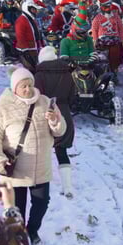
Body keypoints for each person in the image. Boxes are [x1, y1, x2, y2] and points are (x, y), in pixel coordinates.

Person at [0, 67, 65, 245]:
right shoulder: (3, 108)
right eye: (23, 86)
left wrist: (54, 121)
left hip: (41, 167)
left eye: (30, 85)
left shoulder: (44, 102)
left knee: (42, 203)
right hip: (16, 170)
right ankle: (19, 237)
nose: (28, 89)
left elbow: (60, 130)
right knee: (17, 208)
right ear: (15, 88)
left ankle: (33, 230)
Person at [33, 45, 76, 198]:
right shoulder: (67, 73)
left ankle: (38, 186)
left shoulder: (39, 75)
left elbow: (37, 98)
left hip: (44, 113)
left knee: (40, 150)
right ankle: (68, 187)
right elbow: (73, 95)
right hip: (63, 114)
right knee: (61, 150)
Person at [91, 0, 123, 74]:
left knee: (115, 58)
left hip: (115, 41)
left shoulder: (116, 16)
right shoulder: (98, 18)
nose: (108, 9)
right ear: (101, 7)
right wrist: (95, 40)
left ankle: (114, 73)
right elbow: (94, 29)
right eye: (106, 7)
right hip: (102, 42)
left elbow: (121, 29)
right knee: (103, 59)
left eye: (109, 7)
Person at [15, 0, 45, 73]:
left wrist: (42, 45)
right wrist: (25, 51)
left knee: (36, 70)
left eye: (35, 10)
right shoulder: (21, 20)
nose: (35, 11)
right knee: (30, 70)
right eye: (33, 9)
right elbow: (20, 37)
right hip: (26, 51)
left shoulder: (31, 19)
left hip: (34, 49)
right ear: (27, 8)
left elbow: (37, 34)